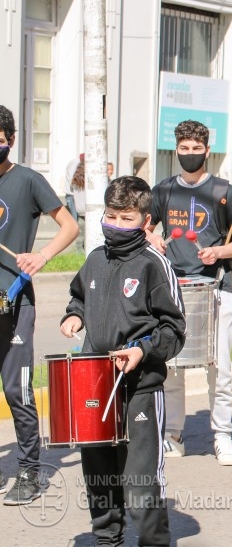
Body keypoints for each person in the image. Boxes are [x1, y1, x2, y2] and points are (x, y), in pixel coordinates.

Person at [60, 176, 185, 546]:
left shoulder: (154, 265)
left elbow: (174, 330)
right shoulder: (96, 259)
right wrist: (74, 316)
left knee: (140, 485)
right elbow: (78, 297)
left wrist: (141, 350)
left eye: (126, 218)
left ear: (146, 221)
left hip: (139, 391)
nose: (116, 225)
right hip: (94, 386)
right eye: (111, 216)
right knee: (99, 478)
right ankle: (107, 541)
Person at [147, 119, 232, 466]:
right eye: (184, 149)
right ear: (176, 150)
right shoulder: (162, 191)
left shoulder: (224, 191)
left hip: (216, 287)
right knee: (172, 365)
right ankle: (172, 435)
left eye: (196, 148)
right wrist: (153, 238)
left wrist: (218, 252)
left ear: (207, 150)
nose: (190, 154)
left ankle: (222, 435)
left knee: (219, 367)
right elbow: (144, 229)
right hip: (173, 288)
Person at [0, 105, 79, 504]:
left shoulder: (28, 180)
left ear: (9, 140)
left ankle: (30, 472)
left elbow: (70, 225)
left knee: (18, 391)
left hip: (13, 301)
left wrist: (41, 256)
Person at [65, 153, 84, 220]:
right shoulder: (75, 163)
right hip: (71, 195)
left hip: (75, 194)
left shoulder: (76, 162)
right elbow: (72, 180)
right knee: (74, 220)